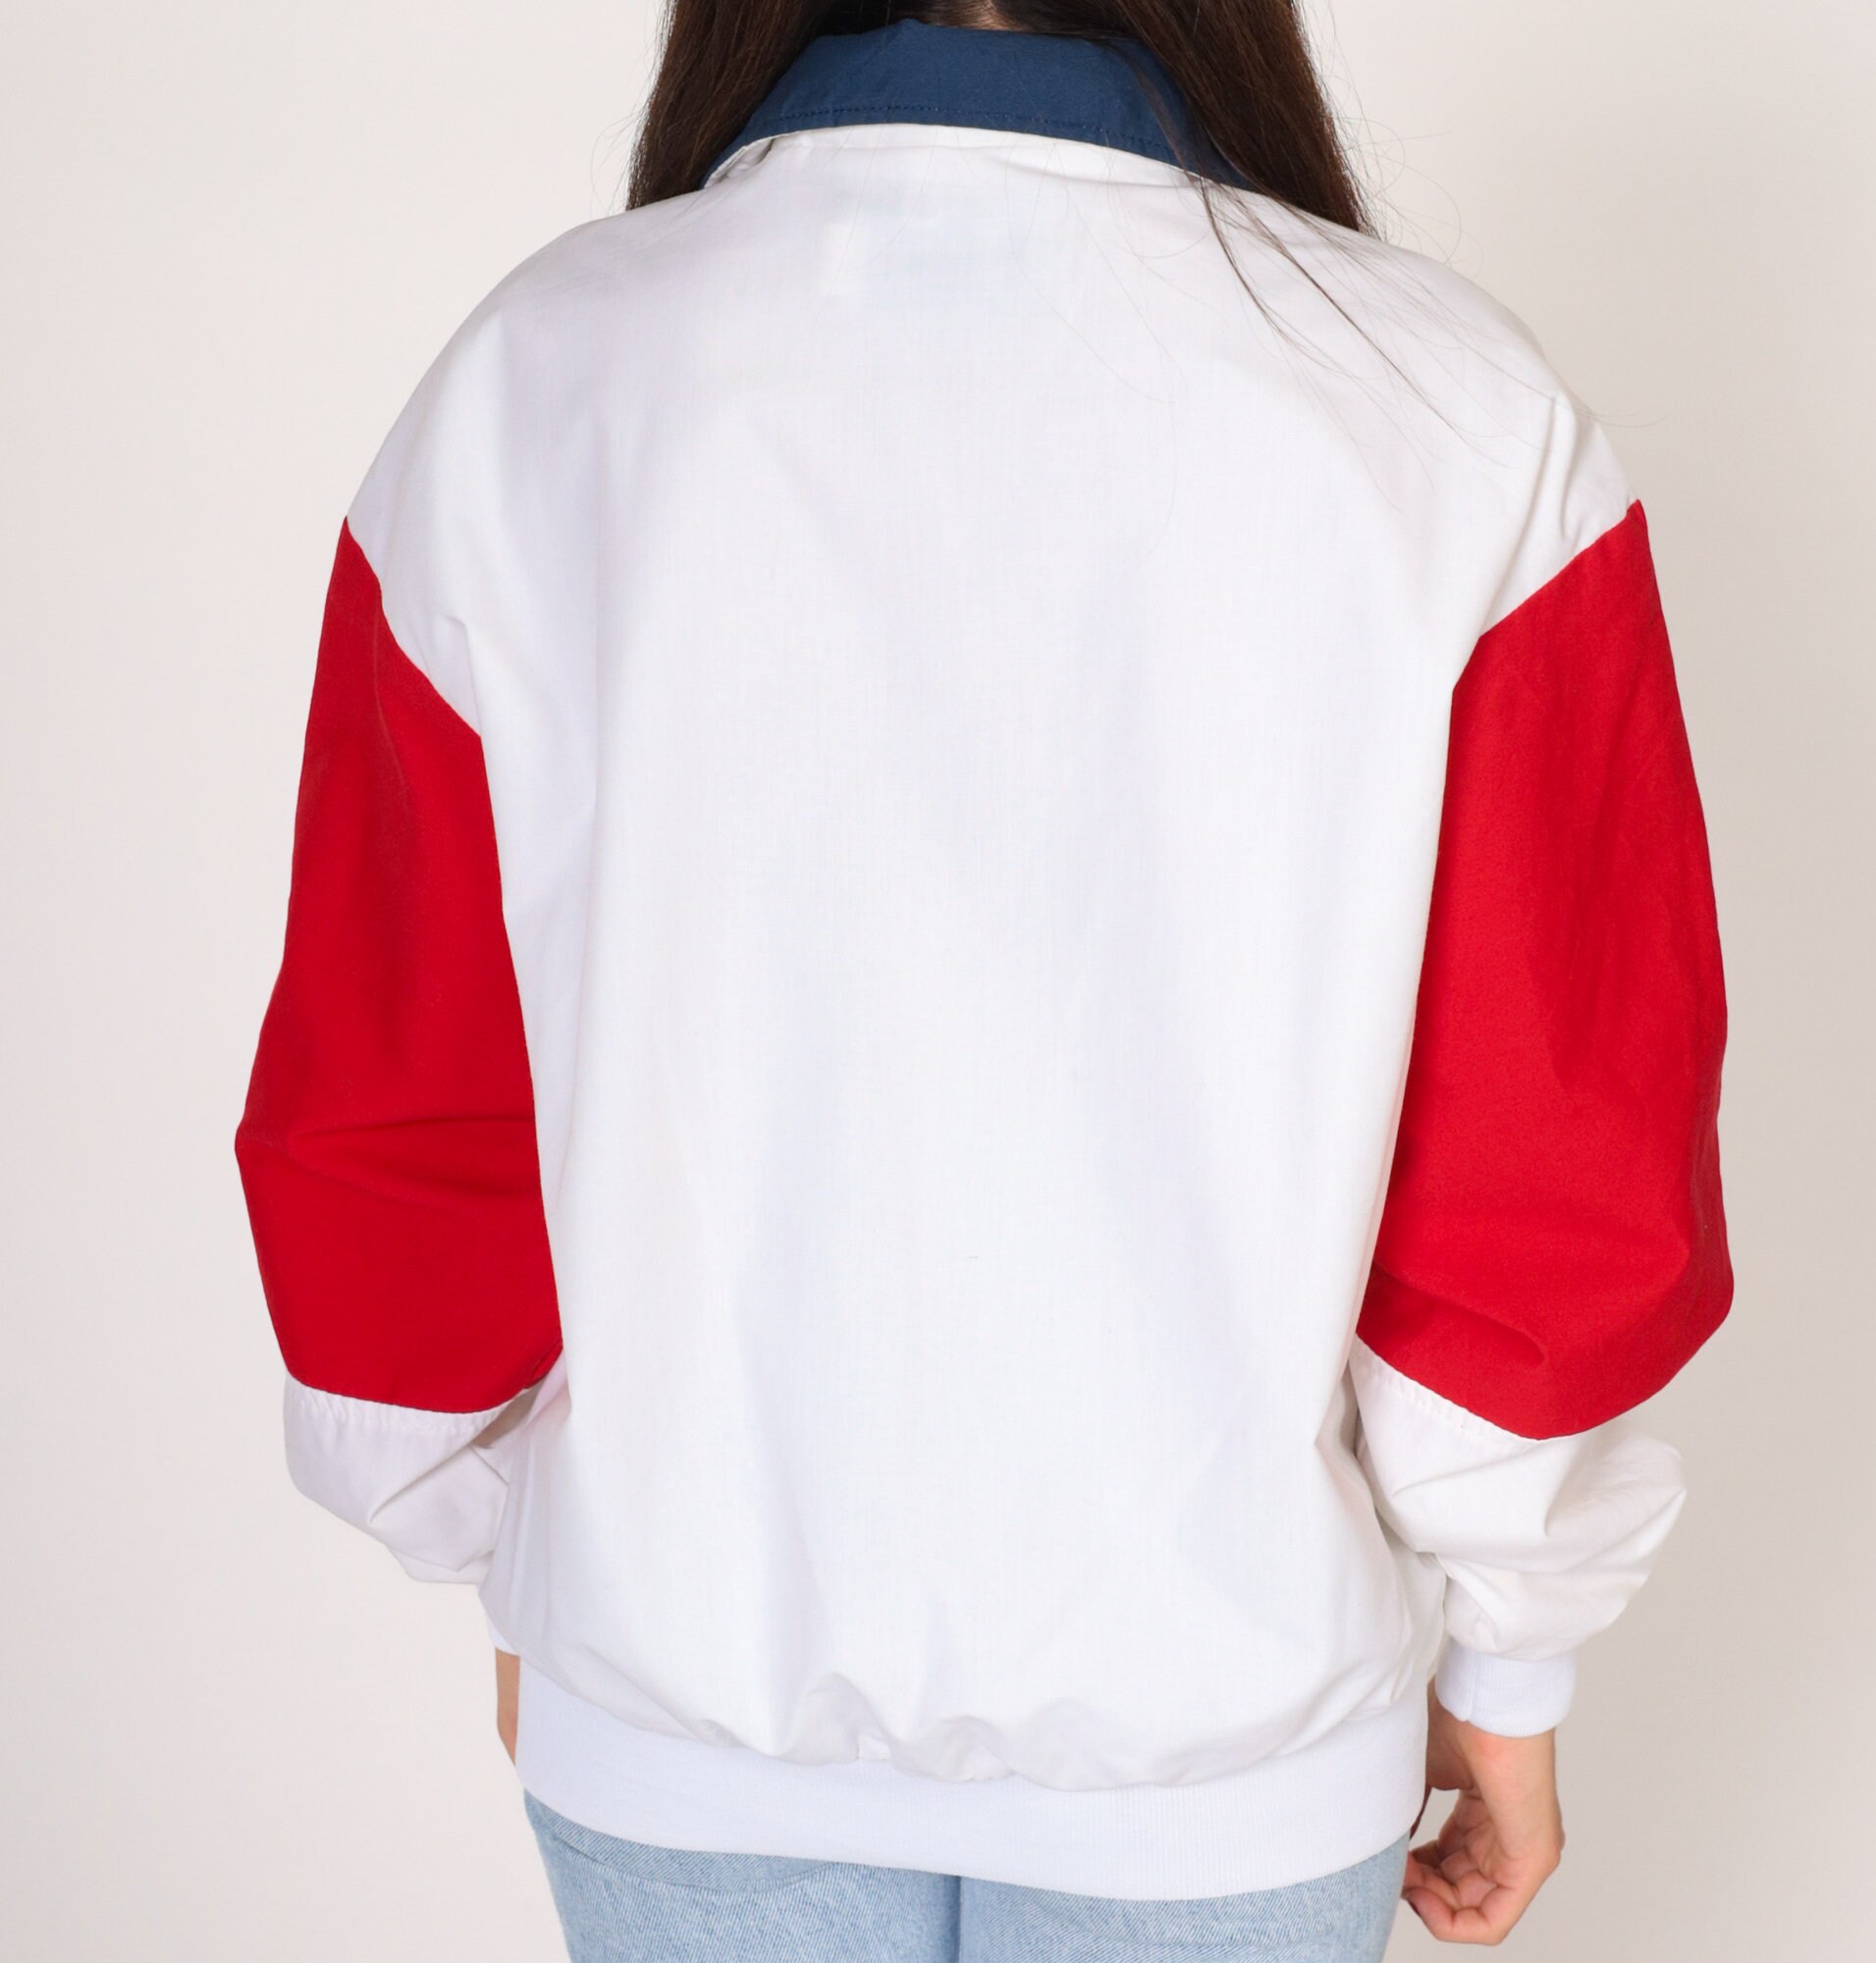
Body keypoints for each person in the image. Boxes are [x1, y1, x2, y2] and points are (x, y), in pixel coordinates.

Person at [236, 3, 1732, 1956]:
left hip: (674, 1701)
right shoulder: (1454, 410)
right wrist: (1511, 1660)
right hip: (1233, 1734)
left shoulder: (534, 380)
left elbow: (392, 1095)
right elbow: (1554, 1155)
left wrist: (516, 1554)